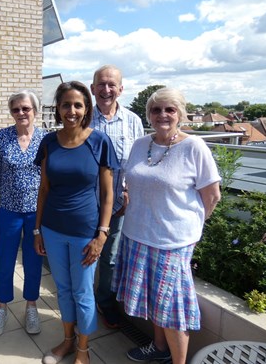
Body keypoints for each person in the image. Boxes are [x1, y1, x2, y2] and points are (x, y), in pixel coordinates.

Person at [112, 88, 221, 364]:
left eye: (169, 109)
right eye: (156, 109)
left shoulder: (193, 147)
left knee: (172, 310)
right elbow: (130, 184)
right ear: (148, 114)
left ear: (180, 114)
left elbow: (212, 196)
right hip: (136, 234)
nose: (162, 115)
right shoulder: (140, 144)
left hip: (172, 242)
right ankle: (159, 348)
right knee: (153, 301)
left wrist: (191, 228)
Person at [34, 81, 119, 364]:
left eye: (78, 105)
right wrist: (37, 230)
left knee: (83, 291)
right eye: (66, 104)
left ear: (86, 109)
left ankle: (84, 348)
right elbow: (44, 189)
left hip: (86, 231)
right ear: (57, 108)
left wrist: (102, 235)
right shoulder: (48, 142)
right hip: (52, 229)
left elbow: (108, 194)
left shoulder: (99, 141)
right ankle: (68, 340)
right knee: (64, 288)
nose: (71, 110)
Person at [0, 90, 46, 336]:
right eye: (16, 109)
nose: (21, 113)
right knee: (5, 258)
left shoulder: (46, 138)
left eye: (26, 109)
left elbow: (50, 178)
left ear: (35, 111)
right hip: (8, 210)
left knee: (33, 260)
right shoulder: (2, 137)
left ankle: (31, 305)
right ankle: (2, 306)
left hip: (36, 212)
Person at [90, 65, 144, 328]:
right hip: (86, 202)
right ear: (92, 89)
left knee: (110, 256)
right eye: (101, 84)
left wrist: (129, 192)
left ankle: (105, 302)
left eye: (112, 84)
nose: (106, 89)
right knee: (84, 252)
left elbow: (139, 163)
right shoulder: (82, 117)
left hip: (119, 204)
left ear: (121, 89)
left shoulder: (133, 121)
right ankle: (83, 303)